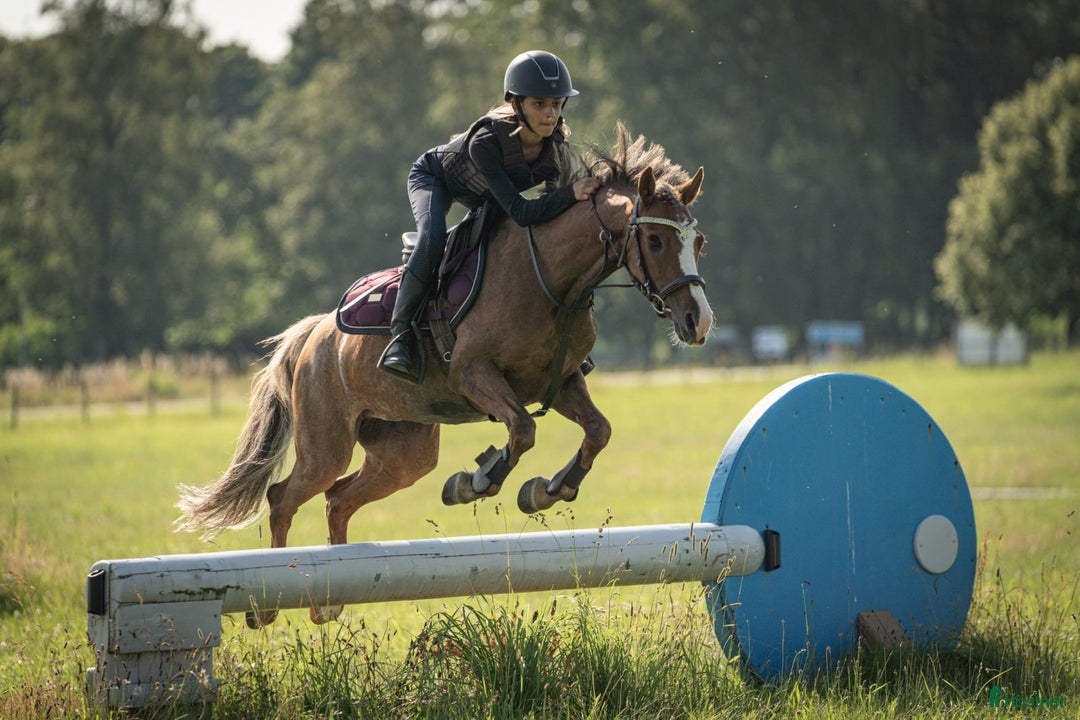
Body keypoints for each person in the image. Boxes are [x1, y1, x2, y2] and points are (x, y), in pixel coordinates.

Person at [378, 50, 601, 379]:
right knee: (432, 238)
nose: (550, 113)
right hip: (436, 178)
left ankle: (560, 339)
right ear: (516, 105)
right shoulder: (486, 141)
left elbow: (551, 220)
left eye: (556, 104)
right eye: (540, 104)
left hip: (487, 195)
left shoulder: (556, 149)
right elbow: (523, 212)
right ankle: (401, 335)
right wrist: (571, 193)